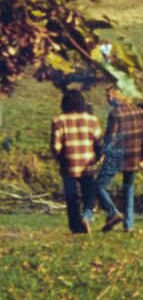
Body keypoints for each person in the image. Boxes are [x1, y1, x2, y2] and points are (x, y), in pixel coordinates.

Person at [87, 87, 143, 233]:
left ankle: (113, 211)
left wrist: (100, 154)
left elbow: (111, 138)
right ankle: (129, 224)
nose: (107, 98)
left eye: (110, 95)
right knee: (128, 188)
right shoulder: (140, 111)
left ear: (119, 96)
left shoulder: (115, 113)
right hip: (134, 155)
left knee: (99, 185)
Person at [50, 89, 103, 234]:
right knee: (90, 194)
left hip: (68, 164)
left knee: (71, 197)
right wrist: (98, 157)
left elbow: (56, 146)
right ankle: (87, 216)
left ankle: (75, 227)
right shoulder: (91, 119)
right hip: (87, 164)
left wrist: (59, 157)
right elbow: (99, 141)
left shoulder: (58, 120)